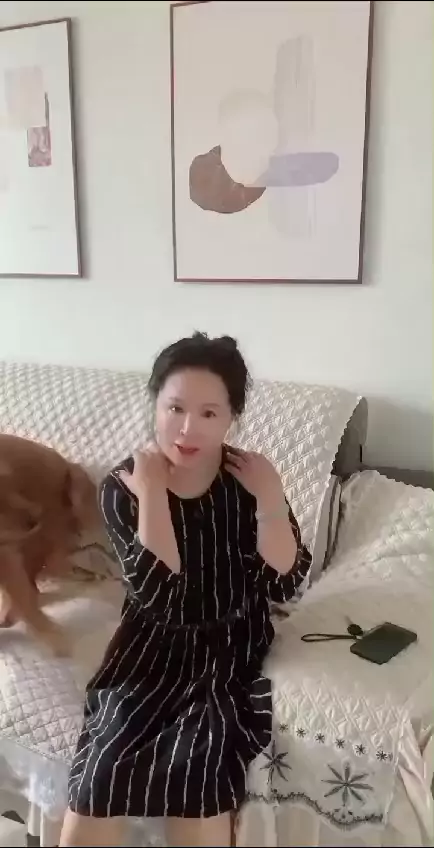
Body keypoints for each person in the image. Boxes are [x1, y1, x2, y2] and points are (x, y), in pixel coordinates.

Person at [60, 333, 311, 847]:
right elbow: (162, 598)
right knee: (103, 770)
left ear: (231, 418)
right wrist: (153, 492)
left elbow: (286, 581)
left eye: (209, 413)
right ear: (155, 404)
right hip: (148, 651)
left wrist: (270, 498)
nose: (188, 428)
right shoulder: (123, 488)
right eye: (174, 408)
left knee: (200, 766)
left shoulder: (249, 478)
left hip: (229, 645)